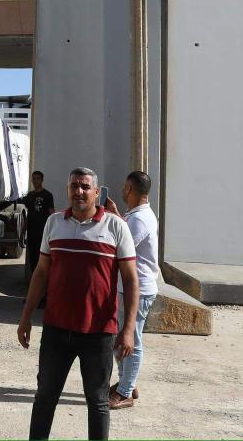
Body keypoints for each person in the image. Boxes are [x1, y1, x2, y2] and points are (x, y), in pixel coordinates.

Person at [17, 167, 139, 440]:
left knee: (97, 402)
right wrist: (25, 317)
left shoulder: (115, 226)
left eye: (85, 187)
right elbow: (41, 273)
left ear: (96, 192)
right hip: (56, 329)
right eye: (74, 186)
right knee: (45, 397)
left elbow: (131, 280)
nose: (79, 191)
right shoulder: (54, 223)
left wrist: (128, 328)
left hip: (98, 333)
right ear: (68, 190)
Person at [104, 170, 159, 410]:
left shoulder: (139, 219)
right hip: (129, 287)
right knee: (121, 338)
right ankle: (128, 382)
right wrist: (116, 214)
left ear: (129, 188)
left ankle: (125, 392)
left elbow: (121, 247)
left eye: (124, 187)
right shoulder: (137, 215)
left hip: (138, 289)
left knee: (130, 339)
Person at [15, 170, 55, 281]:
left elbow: (52, 213)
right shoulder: (30, 195)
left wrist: (54, 231)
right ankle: (35, 285)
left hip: (43, 233)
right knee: (33, 260)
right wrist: (23, 232)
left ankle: (44, 286)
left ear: (42, 180)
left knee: (42, 259)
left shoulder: (47, 195)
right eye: (34, 178)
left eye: (38, 179)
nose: (35, 181)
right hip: (31, 233)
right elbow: (29, 214)